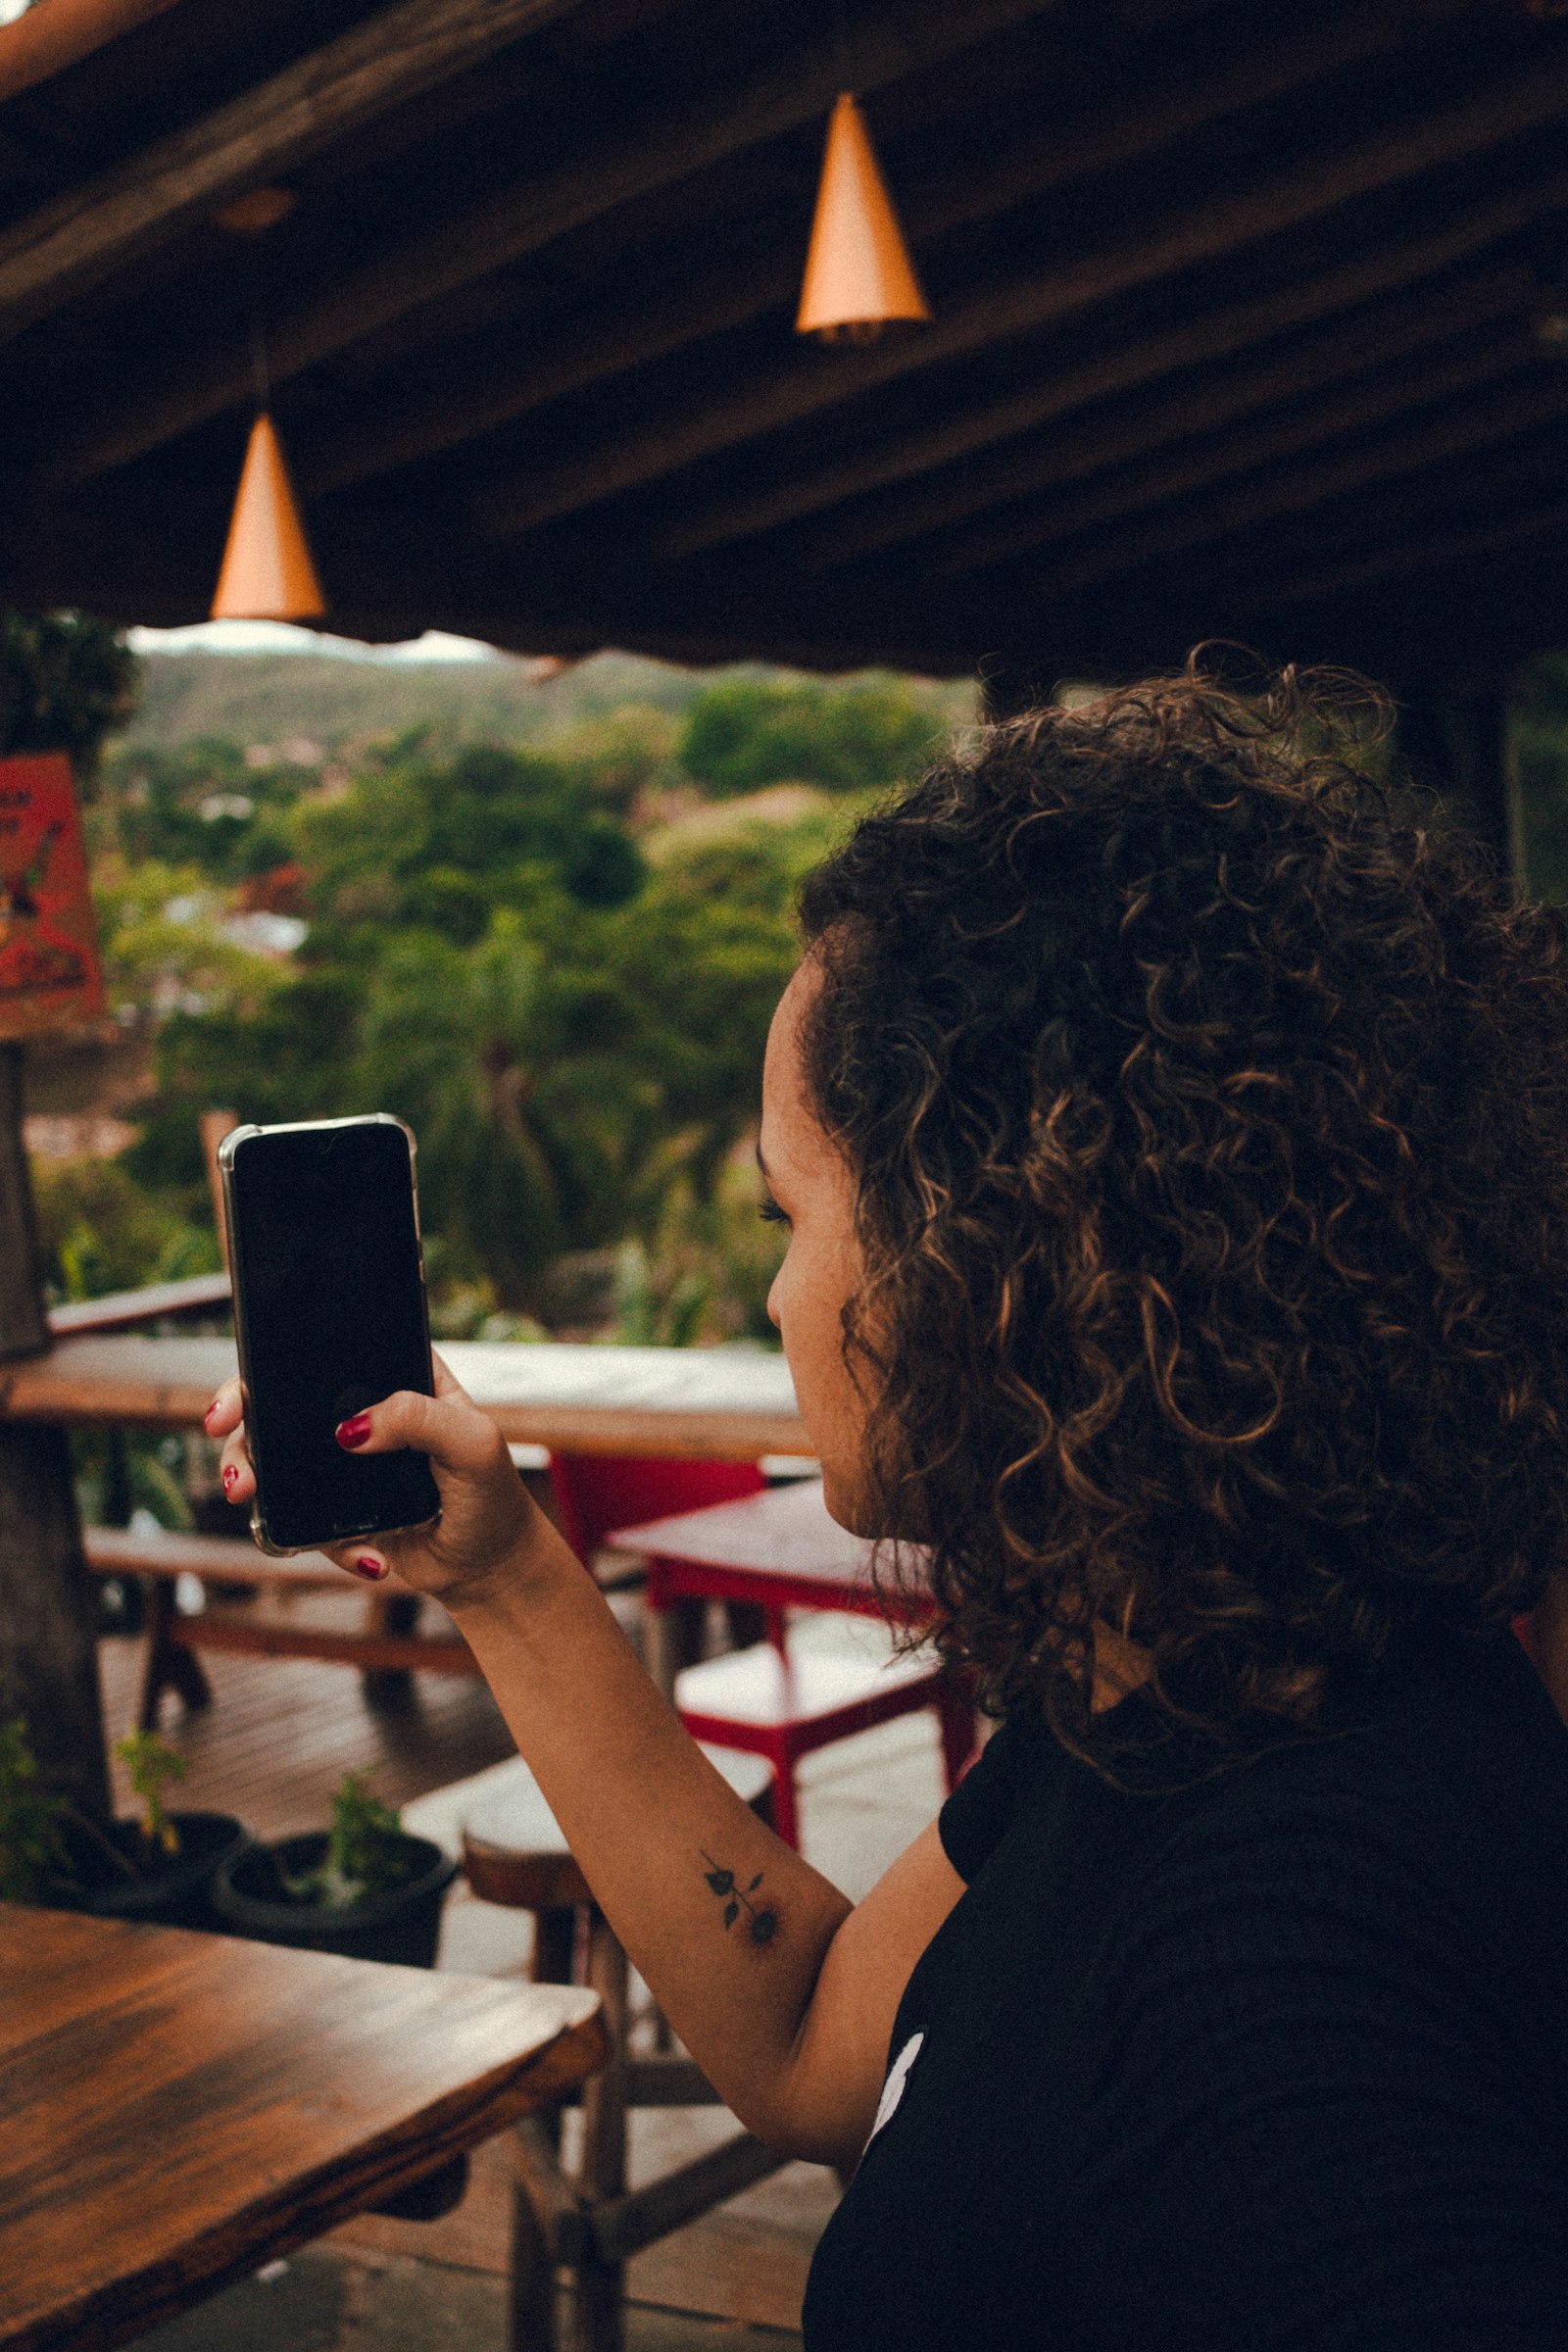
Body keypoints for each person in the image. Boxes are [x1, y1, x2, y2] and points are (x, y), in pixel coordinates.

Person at [209, 662, 1568, 2349]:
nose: (777, 1298)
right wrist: (502, 1577)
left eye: (793, 1212)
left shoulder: (1285, 1984)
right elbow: (803, 2039)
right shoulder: (1203, 1682)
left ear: (995, 1246)